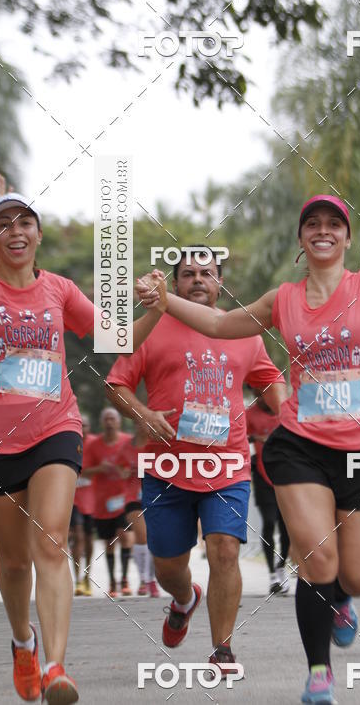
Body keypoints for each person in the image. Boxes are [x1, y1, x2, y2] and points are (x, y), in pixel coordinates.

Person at [136, 196, 360, 705]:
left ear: (348, 239)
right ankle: (318, 674)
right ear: (301, 240)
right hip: (301, 446)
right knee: (317, 559)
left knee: (356, 574)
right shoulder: (282, 300)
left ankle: (343, 600)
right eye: (313, 223)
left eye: (334, 224)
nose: (324, 230)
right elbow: (221, 325)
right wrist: (162, 302)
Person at [0, 175, 166, 705]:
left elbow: (114, 338)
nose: (15, 231)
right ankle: (23, 642)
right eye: (3, 224)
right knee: (15, 560)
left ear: (38, 235)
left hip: (56, 429)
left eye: (25, 222)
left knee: (50, 540)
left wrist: (157, 307)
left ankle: (54, 667)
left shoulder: (59, 291)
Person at [106, 247, 286, 673]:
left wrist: (290, 412)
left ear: (220, 282)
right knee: (169, 565)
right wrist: (144, 416)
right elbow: (116, 385)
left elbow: (271, 382)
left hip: (227, 466)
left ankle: (222, 648)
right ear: (175, 283)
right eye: (188, 274)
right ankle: (184, 599)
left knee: (225, 549)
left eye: (207, 273)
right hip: (168, 468)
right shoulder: (153, 328)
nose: (198, 280)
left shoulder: (244, 332)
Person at [81, 407, 134, 597]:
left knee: (125, 536)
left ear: (119, 422)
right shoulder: (94, 445)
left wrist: (128, 472)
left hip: (124, 498)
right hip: (102, 501)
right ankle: (112, 582)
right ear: (102, 423)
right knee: (109, 542)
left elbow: (138, 464)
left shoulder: (127, 441)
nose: (110, 422)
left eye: (113, 419)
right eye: (107, 419)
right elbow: (84, 471)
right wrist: (99, 468)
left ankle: (125, 580)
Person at [246, 394, 290, 595]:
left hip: (287, 476)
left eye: (265, 391)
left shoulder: (286, 410)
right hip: (263, 477)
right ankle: (272, 574)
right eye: (258, 393)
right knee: (269, 522)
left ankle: (281, 567)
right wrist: (253, 438)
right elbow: (238, 436)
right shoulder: (250, 415)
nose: (262, 397)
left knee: (287, 527)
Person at [122, 423, 159, 597]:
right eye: (140, 423)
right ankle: (144, 579)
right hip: (132, 497)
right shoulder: (126, 447)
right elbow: (120, 472)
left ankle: (151, 579)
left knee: (153, 540)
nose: (143, 427)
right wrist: (126, 470)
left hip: (152, 497)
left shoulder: (156, 446)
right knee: (142, 537)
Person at [69, 414, 96, 596]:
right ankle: (77, 579)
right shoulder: (69, 442)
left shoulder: (96, 443)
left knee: (88, 539)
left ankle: (87, 577)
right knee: (78, 536)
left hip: (92, 500)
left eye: (86, 425)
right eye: (81, 425)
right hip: (73, 499)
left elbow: (106, 465)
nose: (83, 428)